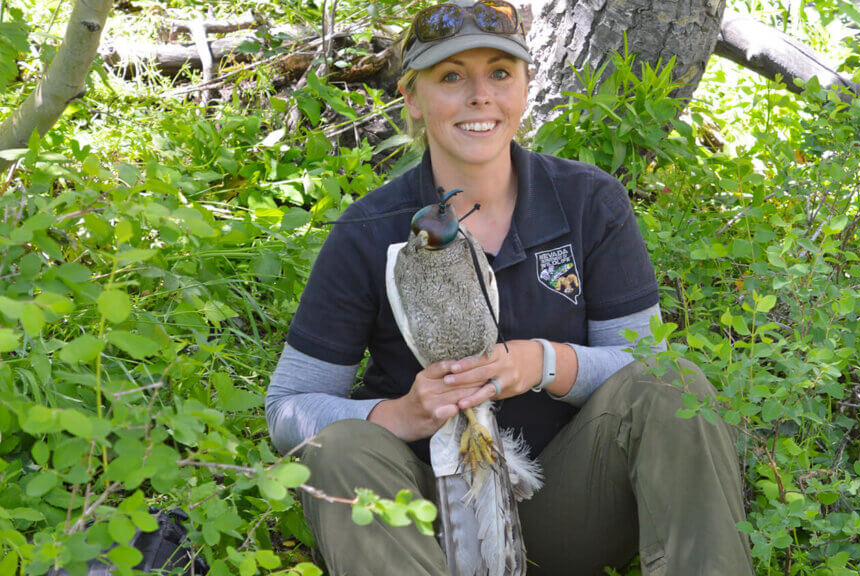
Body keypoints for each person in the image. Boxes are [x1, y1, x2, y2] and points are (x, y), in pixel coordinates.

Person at [264, 1, 754, 574]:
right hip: (425, 520)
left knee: (672, 382)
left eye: (499, 72)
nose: (480, 95)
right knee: (340, 445)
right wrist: (399, 414)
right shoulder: (367, 232)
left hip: (565, 507)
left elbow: (643, 361)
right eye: (451, 77)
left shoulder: (588, 202)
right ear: (412, 98)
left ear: (525, 86)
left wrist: (542, 364)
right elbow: (287, 408)